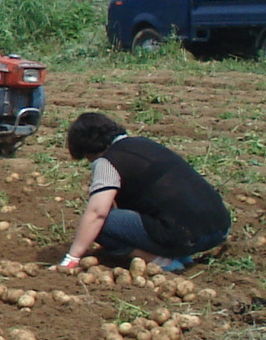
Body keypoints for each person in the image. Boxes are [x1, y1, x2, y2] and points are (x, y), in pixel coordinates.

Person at [57, 112, 230, 274]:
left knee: (102, 226)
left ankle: (163, 262)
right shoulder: (144, 144)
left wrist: (72, 257)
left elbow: (97, 213)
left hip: (185, 237)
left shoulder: (107, 161)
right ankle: (182, 255)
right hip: (220, 228)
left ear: (88, 149)